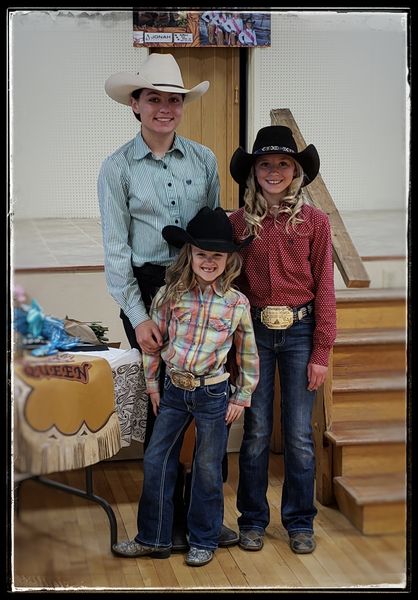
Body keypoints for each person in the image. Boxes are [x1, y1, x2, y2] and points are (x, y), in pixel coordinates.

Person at [97, 52, 238, 550]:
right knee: (165, 408)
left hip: (202, 292)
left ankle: (203, 519)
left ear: (182, 106)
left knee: (209, 406)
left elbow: (215, 234)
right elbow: (116, 252)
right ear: (135, 105)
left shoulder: (204, 160)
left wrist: (219, 295)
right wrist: (137, 319)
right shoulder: (116, 169)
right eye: (154, 98)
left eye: (173, 100)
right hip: (149, 290)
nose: (165, 108)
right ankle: (162, 525)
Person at [112, 207, 259, 566]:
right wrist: (153, 387)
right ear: (188, 255)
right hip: (174, 391)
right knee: (157, 459)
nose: (208, 262)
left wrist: (242, 396)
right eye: (201, 254)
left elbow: (249, 355)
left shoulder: (237, 304)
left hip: (213, 393)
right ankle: (154, 537)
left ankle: (204, 539)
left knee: (208, 467)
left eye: (217, 256)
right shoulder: (169, 295)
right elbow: (154, 346)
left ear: (229, 260)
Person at [228, 125, 336, 554]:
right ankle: (252, 519)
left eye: (283, 164)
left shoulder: (316, 222)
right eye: (265, 164)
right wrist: (232, 347)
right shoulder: (237, 224)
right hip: (253, 333)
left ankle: (299, 521)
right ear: (254, 172)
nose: (274, 172)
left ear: (296, 171)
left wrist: (321, 350)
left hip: (300, 332)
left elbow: (325, 287)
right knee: (255, 431)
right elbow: (228, 286)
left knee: (298, 435)